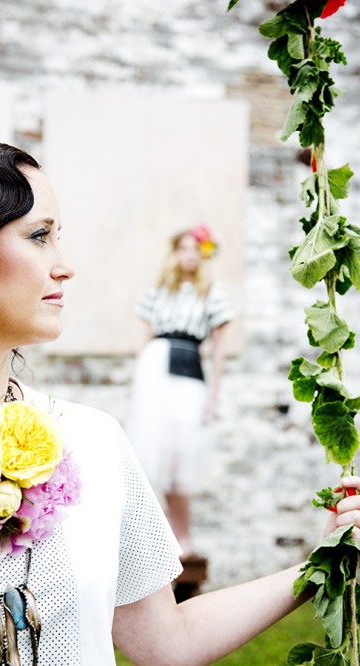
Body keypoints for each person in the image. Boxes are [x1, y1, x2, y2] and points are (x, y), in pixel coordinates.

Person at [0, 137, 360, 666]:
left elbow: (165, 642)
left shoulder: (93, 441)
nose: (65, 266)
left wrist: (324, 562)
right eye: (39, 236)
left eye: (60, 237)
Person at [126, 227, 233, 557]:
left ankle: (183, 536)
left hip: (188, 369)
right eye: (182, 248)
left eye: (195, 248)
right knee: (151, 452)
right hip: (155, 366)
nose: (188, 254)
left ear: (203, 254)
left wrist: (213, 397)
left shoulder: (212, 294)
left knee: (178, 454)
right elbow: (145, 342)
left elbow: (217, 352)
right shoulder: (158, 293)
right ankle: (158, 539)